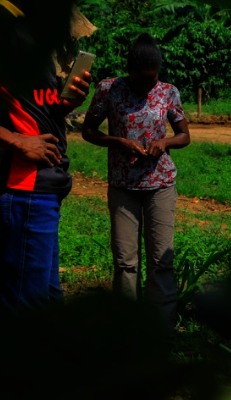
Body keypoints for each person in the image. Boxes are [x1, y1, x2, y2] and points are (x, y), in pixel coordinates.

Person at [0, 0, 92, 327]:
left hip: (39, 189)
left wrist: (66, 102)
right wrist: (17, 141)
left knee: (44, 303)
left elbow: (32, 110)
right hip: (20, 188)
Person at [81, 34, 190, 332]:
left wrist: (164, 142)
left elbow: (184, 135)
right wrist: (117, 141)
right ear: (128, 70)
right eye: (141, 80)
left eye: (151, 80)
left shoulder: (168, 92)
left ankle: (161, 329)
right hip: (122, 186)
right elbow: (88, 130)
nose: (146, 87)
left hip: (160, 185)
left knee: (161, 261)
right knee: (125, 262)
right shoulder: (108, 89)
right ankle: (127, 330)